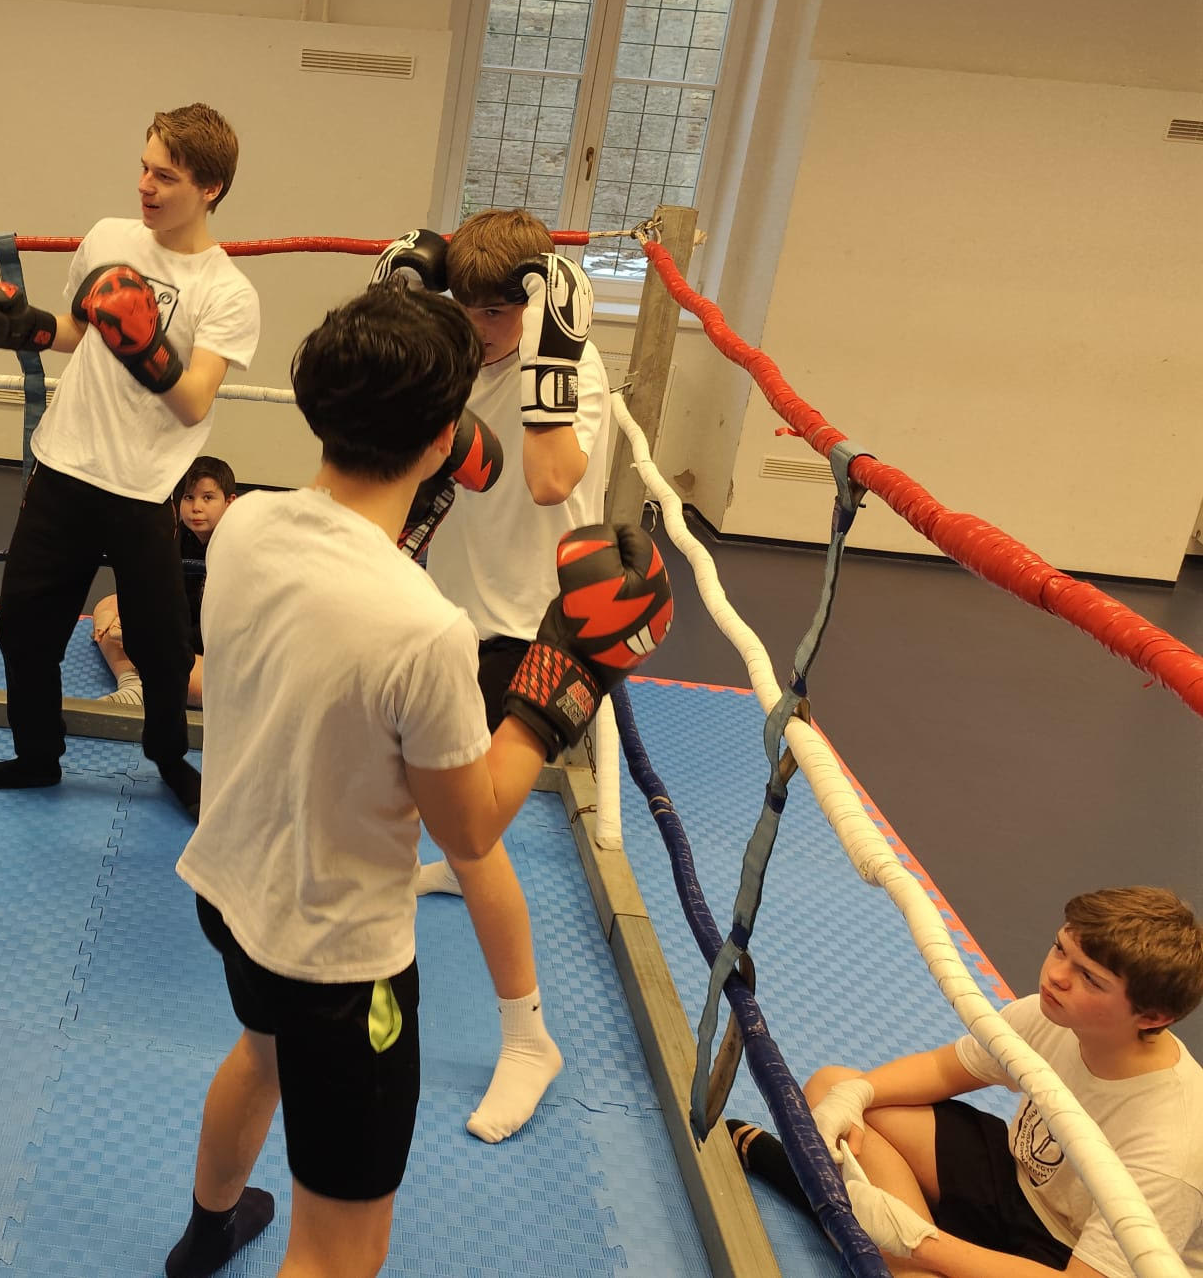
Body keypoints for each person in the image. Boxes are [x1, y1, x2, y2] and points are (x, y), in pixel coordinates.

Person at [164, 283, 673, 1278]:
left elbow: (333, 599)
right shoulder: (425, 631)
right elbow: (470, 826)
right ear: (446, 438)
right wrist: (564, 677)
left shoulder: (243, 527)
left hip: (231, 892)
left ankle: (207, 1232)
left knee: (260, 1055)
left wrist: (424, 499)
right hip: (340, 960)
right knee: (341, 1248)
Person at [0, 104, 260, 815]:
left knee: (162, 648)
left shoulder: (227, 292)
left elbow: (194, 400)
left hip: (145, 490)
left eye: (166, 177)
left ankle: (170, 759)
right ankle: (37, 756)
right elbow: (79, 330)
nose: (146, 186)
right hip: (62, 468)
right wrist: (20, 326)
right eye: (144, 168)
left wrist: (145, 345)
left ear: (210, 189)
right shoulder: (110, 238)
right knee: (23, 629)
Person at [377, 211, 611, 1145]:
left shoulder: (575, 368)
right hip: (451, 607)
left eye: (497, 313)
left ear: (537, 302)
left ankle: (527, 1040)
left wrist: (550, 355)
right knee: (423, 795)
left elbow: (551, 481)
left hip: (542, 620)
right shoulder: (457, 352)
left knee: (473, 835)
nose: (479, 329)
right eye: (465, 308)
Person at [729, 886, 1203, 1275]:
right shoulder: (1051, 1015)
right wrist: (856, 1094)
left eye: (1091, 979)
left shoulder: (1172, 1147)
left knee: (905, 1253)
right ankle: (884, 1238)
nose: (1056, 976)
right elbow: (944, 1070)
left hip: (1068, 1254)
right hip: (1015, 1180)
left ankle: (846, 1214)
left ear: (1152, 1017)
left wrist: (919, 1241)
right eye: (1060, 948)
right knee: (832, 1085)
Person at [92, 455, 237, 710]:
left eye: (208, 498)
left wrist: (151, 638)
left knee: (177, 666)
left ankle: (145, 680)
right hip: (178, 642)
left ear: (229, 502)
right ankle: (133, 684)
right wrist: (128, 622)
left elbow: (220, 632)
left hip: (215, 653)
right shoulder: (176, 537)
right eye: (188, 497)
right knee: (107, 606)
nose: (196, 507)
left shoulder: (235, 550)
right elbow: (154, 593)